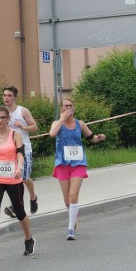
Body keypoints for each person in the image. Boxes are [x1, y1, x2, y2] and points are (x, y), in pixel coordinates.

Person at [0, 106, 35, 262]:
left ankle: (28, 239)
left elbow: (20, 154)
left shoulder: (15, 135)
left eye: (3, 118)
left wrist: (19, 168)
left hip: (13, 178)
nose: (0, 120)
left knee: (19, 211)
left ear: (8, 120)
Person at [49, 98, 106, 240]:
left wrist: (99, 138)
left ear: (74, 108)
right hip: (62, 163)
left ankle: (70, 230)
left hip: (78, 163)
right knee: (67, 201)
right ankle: (74, 219)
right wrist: (62, 118)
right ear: (61, 109)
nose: (68, 108)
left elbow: (91, 137)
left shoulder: (80, 124)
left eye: (70, 106)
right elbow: (52, 134)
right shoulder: (57, 123)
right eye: (65, 106)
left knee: (73, 196)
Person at [0, 86, 39, 219]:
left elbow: (35, 127)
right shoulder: (2, 113)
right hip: (9, 151)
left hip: (24, 150)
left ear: (15, 97)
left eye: (9, 95)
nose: (6, 98)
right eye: (5, 95)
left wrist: (23, 127)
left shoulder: (22, 111)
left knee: (23, 178)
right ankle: (15, 206)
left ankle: (33, 197)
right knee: (13, 178)